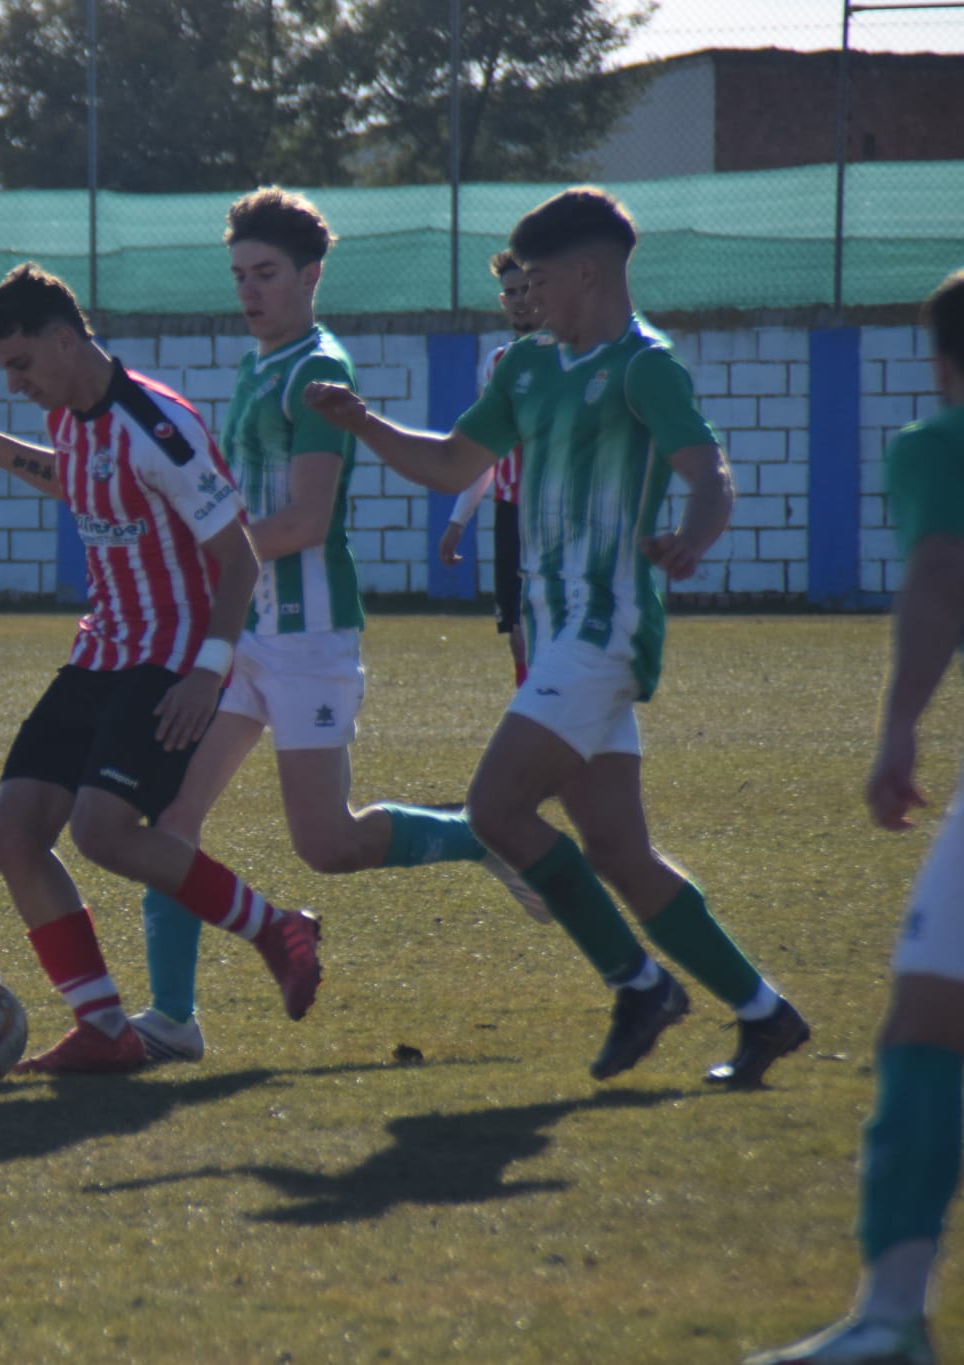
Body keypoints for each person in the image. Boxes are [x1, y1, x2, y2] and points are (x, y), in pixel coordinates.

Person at [303, 188, 808, 1085]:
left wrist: (695, 532)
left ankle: (639, 983)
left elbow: (709, 470)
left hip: (604, 629)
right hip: (553, 633)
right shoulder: (528, 367)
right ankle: (766, 1013)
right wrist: (364, 424)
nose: (526, 295)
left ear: (587, 274)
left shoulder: (645, 366)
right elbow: (453, 462)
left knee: (496, 811)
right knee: (618, 850)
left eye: (537, 278)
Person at [128, 190, 512, 1064]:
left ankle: (492, 836)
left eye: (266, 274)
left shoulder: (316, 371)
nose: (249, 291)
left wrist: (204, 562)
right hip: (245, 629)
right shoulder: (258, 365)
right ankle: (173, 1018)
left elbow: (303, 521)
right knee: (168, 817)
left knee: (327, 843)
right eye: (239, 275)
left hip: (308, 634)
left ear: (311, 276)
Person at [0, 262, 322, 1076]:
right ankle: (104, 1026)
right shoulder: (73, 412)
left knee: (102, 829)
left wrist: (208, 673)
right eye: (7, 370)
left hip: (172, 654)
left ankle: (276, 927)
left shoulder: (156, 425)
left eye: (22, 364)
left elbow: (238, 558)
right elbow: (79, 482)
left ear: (66, 340)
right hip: (103, 648)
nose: (17, 383)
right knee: (13, 833)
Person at [740, 272, 964, 1365]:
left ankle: (888, 1318)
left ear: (939, 363)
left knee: (925, 1022)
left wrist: (896, 727)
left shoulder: (939, 445)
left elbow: (935, 572)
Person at [438, 250, 542, 689]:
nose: (519, 300)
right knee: (516, 631)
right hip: (509, 512)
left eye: (527, 290)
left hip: (555, 511)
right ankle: (531, 708)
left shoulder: (573, 356)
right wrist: (457, 521)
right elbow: (484, 451)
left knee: (551, 625)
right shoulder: (498, 363)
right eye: (511, 292)